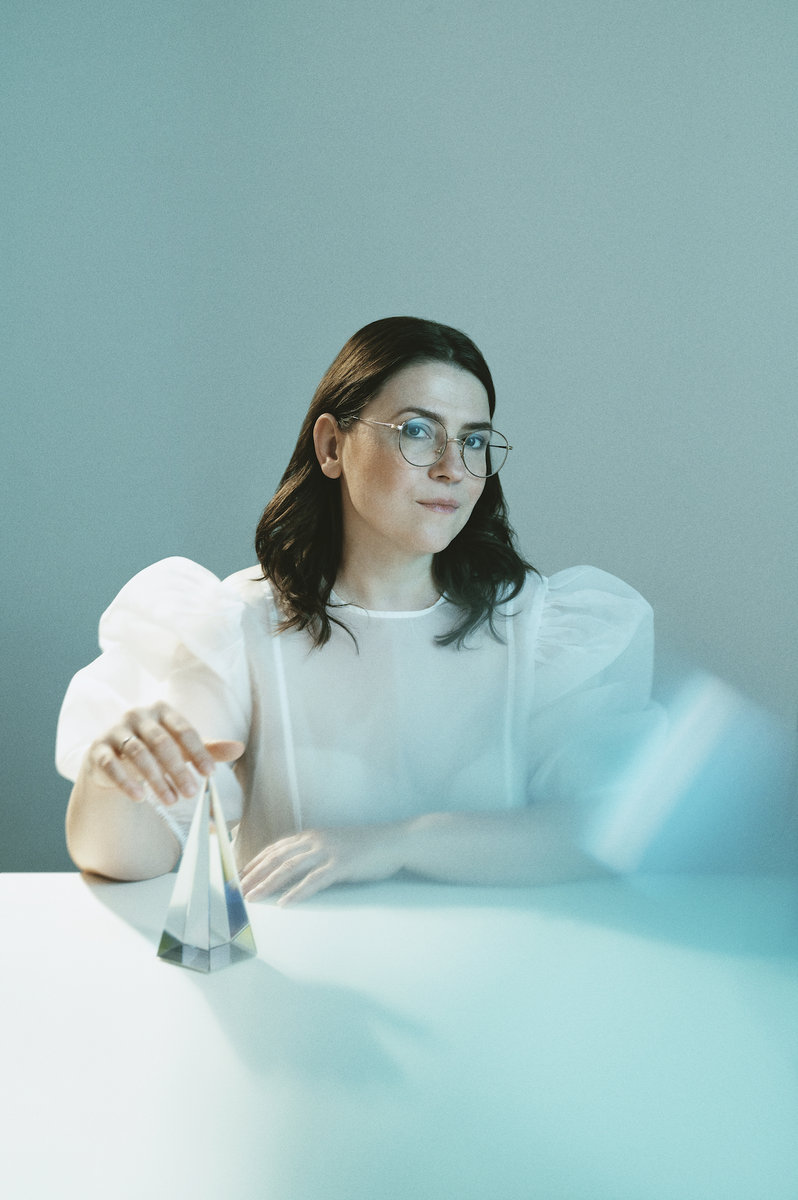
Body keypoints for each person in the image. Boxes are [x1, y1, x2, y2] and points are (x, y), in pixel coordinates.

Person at [57, 316, 657, 904]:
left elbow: (605, 829)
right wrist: (112, 778)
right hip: (296, 962)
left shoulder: (535, 625)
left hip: (498, 963)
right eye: (418, 431)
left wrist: (401, 843)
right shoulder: (240, 622)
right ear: (331, 446)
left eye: (473, 440)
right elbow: (133, 858)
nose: (452, 468)